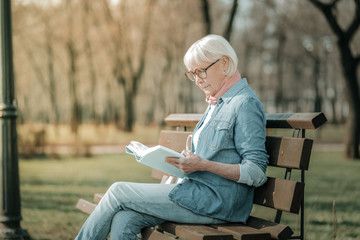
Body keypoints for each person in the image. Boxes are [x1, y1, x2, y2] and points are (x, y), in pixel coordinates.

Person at [75, 34, 269, 240]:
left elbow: (256, 171)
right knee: (124, 219)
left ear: (224, 63)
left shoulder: (244, 104)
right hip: (195, 193)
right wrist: (184, 162)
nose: (197, 80)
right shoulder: (215, 102)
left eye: (201, 71)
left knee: (117, 191)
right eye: (193, 74)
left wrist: (204, 165)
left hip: (218, 203)